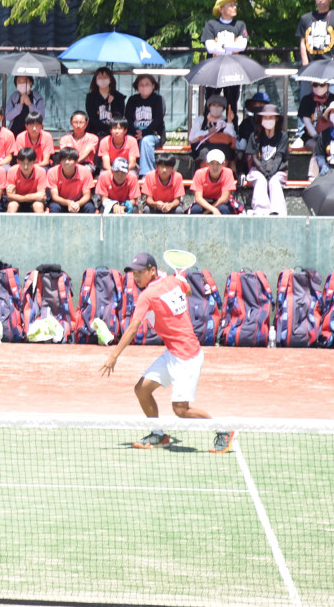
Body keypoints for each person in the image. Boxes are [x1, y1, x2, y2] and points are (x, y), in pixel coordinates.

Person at [99, 252, 234, 454]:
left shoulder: (147, 296)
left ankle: (223, 431)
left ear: (152, 271)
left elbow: (133, 328)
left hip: (187, 356)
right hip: (173, 352)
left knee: (181, 410)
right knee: (142, 390)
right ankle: (159, 434)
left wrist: (113, 356)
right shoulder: (173, 281)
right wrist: (178, 282)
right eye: (134, 273)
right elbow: (188, 291)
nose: (136, 277)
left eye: (140, 272)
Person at [201, 0, 250, 121]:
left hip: (233, 69)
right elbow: (210, 47)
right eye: (231, 5)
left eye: (235, 5)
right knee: (211, 101)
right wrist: (232, 46)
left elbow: (242, 46)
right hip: (215, 69)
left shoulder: (240, 25)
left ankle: (233, 130)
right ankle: (207, 128)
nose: (235, 7)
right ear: (221, 9)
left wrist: (221, 45)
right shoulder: (211, 24)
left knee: (232, 104)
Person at [245, 104, 288, 216]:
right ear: (261, 119)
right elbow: (254, 157)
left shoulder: (283, 136)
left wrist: (271, 173)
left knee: (274, 181)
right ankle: (261, 211)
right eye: (265, 117)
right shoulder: (254, 136)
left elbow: (279, 156)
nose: (268, 120)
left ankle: (278, 212)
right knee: (260, 180)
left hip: (278, 170)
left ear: (276, 119)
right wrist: (264, 172)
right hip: (258, 170)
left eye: (271, 117)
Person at [125, 74, 166, 176]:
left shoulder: (158, 99)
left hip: (153, 134)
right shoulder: (132, 100)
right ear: (137, 87)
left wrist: (144, 133)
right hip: (134, 133)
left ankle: (146, 174)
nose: (144, 87)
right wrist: (136, 133)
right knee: (128, 140)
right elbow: (128, 119)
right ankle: (128, 170)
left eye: (147, 84)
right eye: (141, 85)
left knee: (145, 141)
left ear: (153, 85)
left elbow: (158, 119)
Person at [296, 80, 334, 178]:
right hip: (310, 138)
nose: (318, 88)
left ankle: (329, 175)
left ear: (327, 85)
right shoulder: (306, 100)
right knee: (319, 147)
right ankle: (313, 176)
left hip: (331, 137)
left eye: (322, 85)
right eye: (315, 85)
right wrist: (316, 136)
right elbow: (306, 121)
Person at [188, 94, 236, 162]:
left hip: (223, 154)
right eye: (213, 105)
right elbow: (191, 138)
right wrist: (208, 131)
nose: (216, 108)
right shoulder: (201, 120)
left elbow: (232, 139)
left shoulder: (226, 121)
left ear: (223, 108)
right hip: (204, 154)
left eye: (219, 106)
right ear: (209, 107)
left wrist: (229, 122)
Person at [47, 147, 96, 213]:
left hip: (79, 202)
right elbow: (55, 196)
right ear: (60, 161)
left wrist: (78, 203)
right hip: (61, 202)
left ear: (76, 161)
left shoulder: (85, 171)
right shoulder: (52, 172)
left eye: (70, 159)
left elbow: (87, 195)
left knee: (90, 208)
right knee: (54, 207)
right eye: (64, 159)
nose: (67, 162)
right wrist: (68, 203)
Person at [189, 149, 236, 215]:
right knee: (195, 210)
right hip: (204, 201)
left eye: (218, 164)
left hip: (220, 202)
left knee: (224, 209)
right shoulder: (199, 173)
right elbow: (198, 198)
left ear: (223, 164)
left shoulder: (228, 173)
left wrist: (207, 212)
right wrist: (213, 209)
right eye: (212, 163)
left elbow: (224, 198)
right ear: (207, 164)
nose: (215, 167)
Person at [6, 147, 48, 213]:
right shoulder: (12, 171)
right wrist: (28, 197)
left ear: (35, 162)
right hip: (17, 201)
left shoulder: (41, 171)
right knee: (12, 206)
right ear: (18, 161)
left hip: (34, 201)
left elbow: (41, 195)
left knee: (38, 206)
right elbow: (9, 196)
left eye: (29, 163)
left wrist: (19, 197)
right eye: (23, 163)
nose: (26, 166)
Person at [84, 69, 125, 138]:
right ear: (95, 80)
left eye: (105, 77)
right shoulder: (91, 97)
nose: (102, 80)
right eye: (100, 77)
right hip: (94, 131)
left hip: (114, 131)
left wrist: (112, 103)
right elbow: (92, 117)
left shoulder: (118, 97)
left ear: (110, 79)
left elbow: (119, 116)